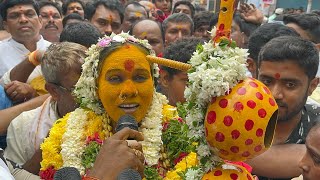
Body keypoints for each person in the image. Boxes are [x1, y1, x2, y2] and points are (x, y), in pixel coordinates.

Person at [4, 42, 86, 171]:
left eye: (93, 84)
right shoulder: (22, 125)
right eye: (80, 89)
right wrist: (46, 149)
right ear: (53, 91)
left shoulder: (110, 112)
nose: (91, 94)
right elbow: (13, 174)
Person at [247, 36, 320, 179]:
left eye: (290, 84)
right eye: (267, 81)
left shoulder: (317, 125)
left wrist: (223, 153)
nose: (275, 94)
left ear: (312, 86)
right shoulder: (234, 116)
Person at [0, 0, 51, 77]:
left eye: (29, 14)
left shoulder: (56, 50)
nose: (23, 20)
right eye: (14, 16)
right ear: (6, 25)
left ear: (40, 21)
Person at [159, 37, 204, 106]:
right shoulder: (151, 115)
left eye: (202, 83)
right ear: (165, 78)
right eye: (189, 82)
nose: (198, 91)